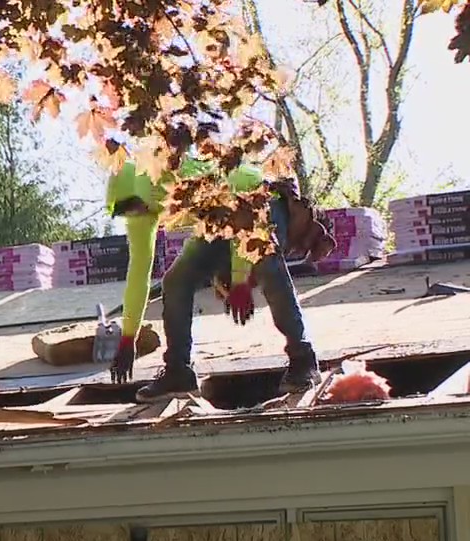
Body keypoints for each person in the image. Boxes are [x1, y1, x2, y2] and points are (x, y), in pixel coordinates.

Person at [106, 157, 330, 402]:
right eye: (127, 211)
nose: (138, 214)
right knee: (176, 281)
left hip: (259, 206)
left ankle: (303, 358)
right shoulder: (140, 214)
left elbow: (245, 217)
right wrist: (128, 338)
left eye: (137, 206)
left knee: (265, 258)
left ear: (149, 188)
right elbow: (138, 274)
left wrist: (240, 280)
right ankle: (178, 372)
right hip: (217, 224)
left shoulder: (182, 173)